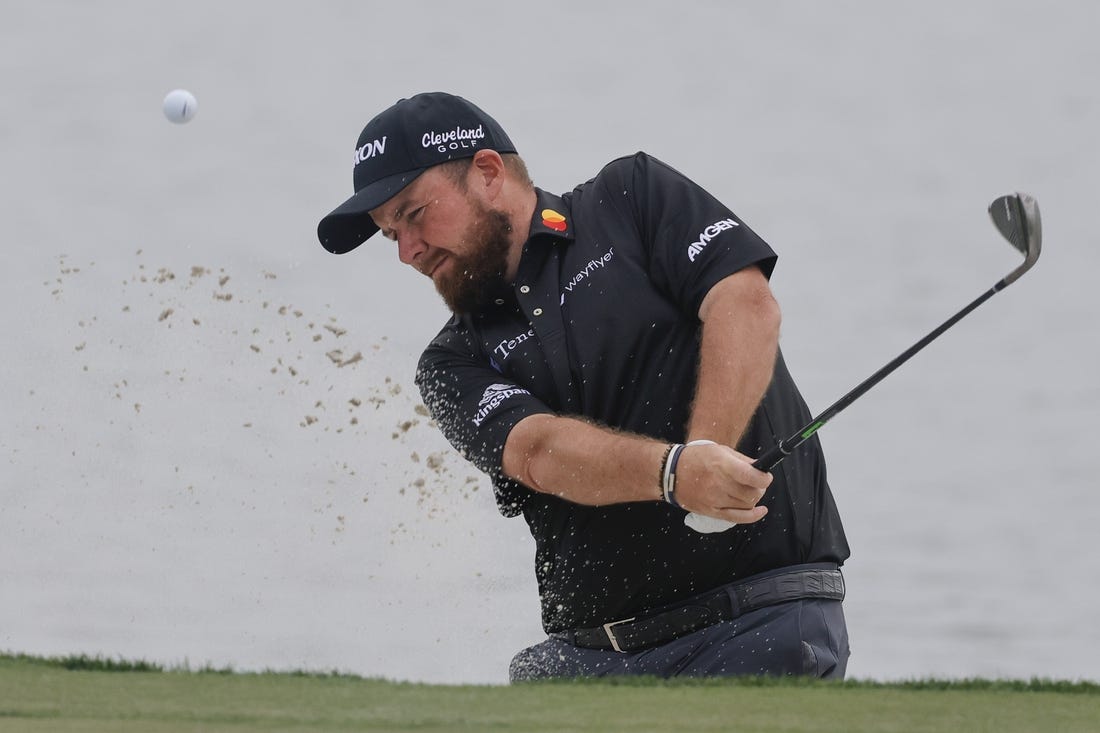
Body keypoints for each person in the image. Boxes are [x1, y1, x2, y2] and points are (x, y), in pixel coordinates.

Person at [317, 92, 850, 681]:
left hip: (759, 620)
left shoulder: (632, 197)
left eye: (414, 214)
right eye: (390, 234)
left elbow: (745, 304)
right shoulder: (450, 362)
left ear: (488, 173)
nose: (407, 253)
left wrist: (708, 455)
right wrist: (677, 474)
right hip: (591, 660)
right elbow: (537, 452)